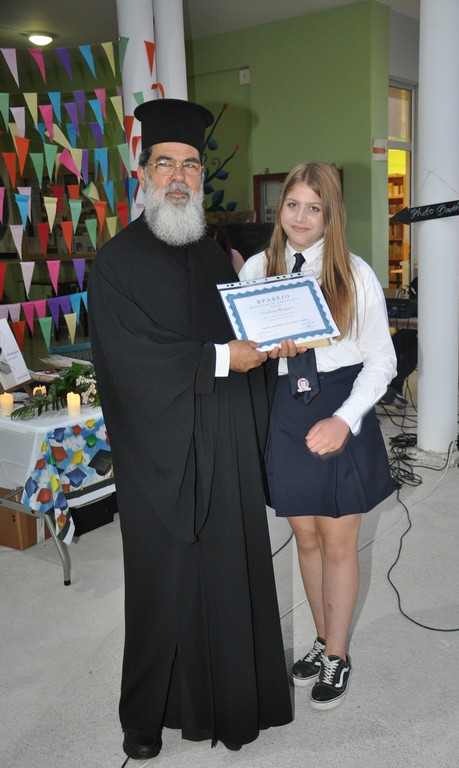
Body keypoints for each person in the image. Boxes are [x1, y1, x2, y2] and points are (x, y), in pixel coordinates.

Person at [87, 98, 292, 762]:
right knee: (162, 587)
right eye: (165, 163)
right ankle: (144, 718)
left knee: (229, 575)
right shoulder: (115, 263)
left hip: (224, 444)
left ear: (203, 175)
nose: (179, 177)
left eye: (191, 165)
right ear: (142, 171)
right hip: (162, 454)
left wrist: (273, 344)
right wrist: (221, 359)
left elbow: (240, 333)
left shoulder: (211, 253)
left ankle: (234, 705)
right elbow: (133, 360)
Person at [239, 161, 397, 711]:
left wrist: (345, 420)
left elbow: (382, 361)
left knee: (337, 542)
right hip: (286, 408)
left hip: (338, 403)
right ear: (279, 208)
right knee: (304, 539)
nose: (301, 218)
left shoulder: (354, 273)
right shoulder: (258, 268)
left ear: (331, 215)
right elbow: (246, 344)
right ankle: (321, 637)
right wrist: (263, 351)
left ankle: (337, 653)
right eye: (293, 205)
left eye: (314, 208)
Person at [380, 274, 459, 408]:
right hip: (417, 328)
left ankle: (393, 386)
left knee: (419, 348)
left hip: (442, 332)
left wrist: (440, 307)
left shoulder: (456, 281)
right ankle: (393, 388)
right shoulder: (417, 282)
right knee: (395, 343)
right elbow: (411, 307)